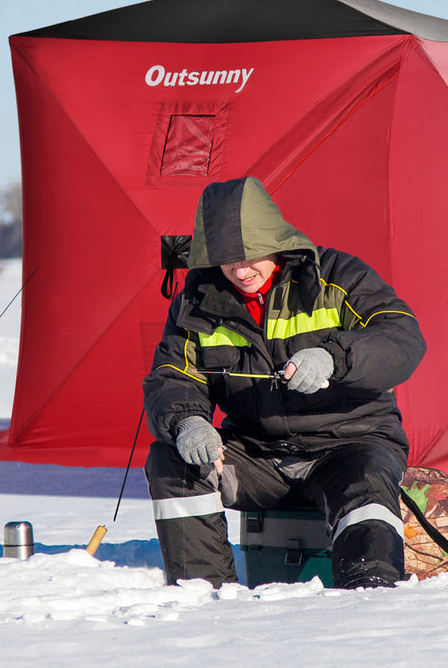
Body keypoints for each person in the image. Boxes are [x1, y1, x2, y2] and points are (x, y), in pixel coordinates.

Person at [143, 176, 426, 589]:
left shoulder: (337, 275)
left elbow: (402, 338)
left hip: (350, 446)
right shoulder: (196, 301)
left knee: (365, 484)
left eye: (250, 255)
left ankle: (370, 595)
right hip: (258, 456)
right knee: (173, 460)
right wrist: (188, 422)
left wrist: (333, 359)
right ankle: (204, 596)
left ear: (275, 240)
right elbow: (173, 374)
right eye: (227, 260)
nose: (241, 271)